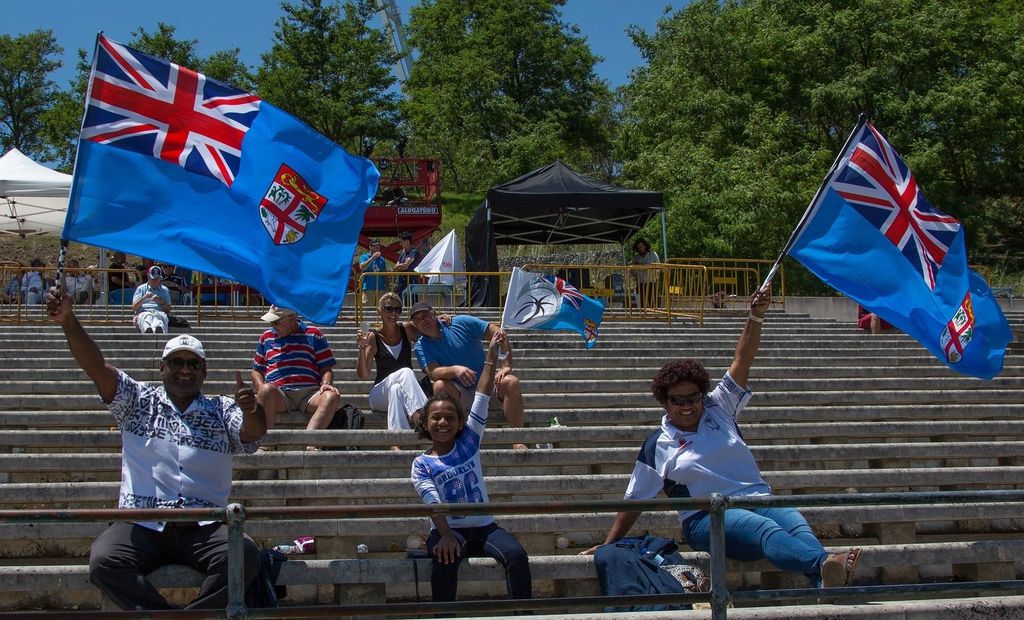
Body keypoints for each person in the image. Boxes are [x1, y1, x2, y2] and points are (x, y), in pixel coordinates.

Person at [581, 289, 861, 590]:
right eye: (677, 400)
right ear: (664, 401)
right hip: (707, 517)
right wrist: (609, 544)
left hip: (757, 498)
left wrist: (755, 316)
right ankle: (824, 564)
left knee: (796, 523)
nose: (687, 406)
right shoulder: (658, 444)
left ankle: (827, 583)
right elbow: (635, 500)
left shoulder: (719, 407)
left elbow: (743, 358)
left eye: (693, 398)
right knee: (764, 528)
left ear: (703, 395)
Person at [44, 286, 266, 610]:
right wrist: (68, 320)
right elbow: (96, 367)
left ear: (204, 371)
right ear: (162, 368)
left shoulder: (221, 408)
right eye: (176, 362)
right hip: (142, 521)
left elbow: (253, 433)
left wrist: (252, 408)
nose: (185, 369)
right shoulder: (137, 400)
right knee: (104, 561)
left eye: (193, 364)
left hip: (204, 523)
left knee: (244, 555)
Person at [411, 330, 533, 606]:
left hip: (484, 527)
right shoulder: (422, 463)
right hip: (448, 529)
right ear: (426, 424)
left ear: (459, 422)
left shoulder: (469, 440)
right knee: (444, 558)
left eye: (449, 417)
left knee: (516, 555)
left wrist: (491, 355)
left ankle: (524, 613)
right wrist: (445, 535)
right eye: (436, 418)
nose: (443, 423)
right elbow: (432, 502)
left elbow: (482, 395)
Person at [411, 301, 527, 450]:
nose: (423, 321)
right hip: (461, 395)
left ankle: (518, 440)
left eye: (425, 315)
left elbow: (498, 333)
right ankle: (456, 442)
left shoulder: (460, 322)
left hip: (487, 386)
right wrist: (455, 370)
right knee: (440, 385)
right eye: (417, 319)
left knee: (511, 381)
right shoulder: (421, 345)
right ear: (415, 324)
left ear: (434, 313)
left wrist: (506, 365)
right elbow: (433, 372)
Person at [251, 305, 340, 434]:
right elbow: (256, 370)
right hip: (279, 393)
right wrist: (261, 387)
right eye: (271, 322)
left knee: (331, 396)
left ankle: (309, 439)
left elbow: (326, 367)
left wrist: (326, 384)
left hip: (310, 393)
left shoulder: (314, 334)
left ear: (292, 319)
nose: (273, 325)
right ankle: (266, 441)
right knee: (265, 390)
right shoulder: (266, 337)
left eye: (276, 322)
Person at [356, 293, 429, 440]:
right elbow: (363, 374)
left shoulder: (407, 330)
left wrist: (442, 320)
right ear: (380, 311)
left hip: (400, 392)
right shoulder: (373, 337)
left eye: (397, 309)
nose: (393, 313)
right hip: (379, 395)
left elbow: (430, 332)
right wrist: (362, 348)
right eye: (389, 309)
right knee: (406, 372)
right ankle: (424, 417)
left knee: (396, 390)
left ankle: (398, 441)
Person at [131, 265, 172, 334]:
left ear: (160, 278)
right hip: (143, 312)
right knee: (147, 316)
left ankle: (158, 329)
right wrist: (144, 297)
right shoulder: (141, 288)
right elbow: (134, 307)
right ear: (148, 277)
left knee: (159, 318)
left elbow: (168, 310)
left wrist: (162, 302)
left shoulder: (165, 290)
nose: (155, 281)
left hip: (159, 312)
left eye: (157, 279)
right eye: (153, 279)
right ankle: (148, 329)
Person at [631, 238, 660, 309]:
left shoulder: (653, 254)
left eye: (641, 246)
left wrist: (646, 267)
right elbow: (632, 272)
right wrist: (638, 267)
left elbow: (658, 267)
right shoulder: (635, 257)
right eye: (638, 247)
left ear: (645, 246)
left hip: (652, 282)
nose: (640, 249)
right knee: (641, 305)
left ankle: (654, 315)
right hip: (640, 283)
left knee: (653, 304)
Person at [358, 239, 389, 306]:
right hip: (368, 288)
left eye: (378, 246)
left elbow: (385, 274)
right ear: (370, 247)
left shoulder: (382, 259)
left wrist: (387, 287)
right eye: (375, 246)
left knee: (381, 308)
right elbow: (362, 267)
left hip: (381, 288)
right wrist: (372, 258)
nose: (377, 248)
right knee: (367, 309)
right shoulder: (364, 257)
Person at [393, 230, 421, 299]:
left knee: (411, 302)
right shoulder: (402, 254)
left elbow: (405, 266)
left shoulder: (413, 252)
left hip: (411, 282)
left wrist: (400, 266)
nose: (400, 244)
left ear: (407, 241)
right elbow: (395, 268)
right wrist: (399, 266)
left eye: (401, 242)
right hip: (402, 283)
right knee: (402, 301)